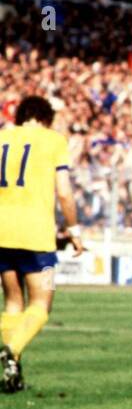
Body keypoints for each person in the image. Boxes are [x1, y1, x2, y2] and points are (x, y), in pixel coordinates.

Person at [0, 96, 86, 393]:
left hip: (1, 229)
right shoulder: (53, 141)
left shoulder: (1, 139)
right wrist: (74, 229)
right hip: (35, 233)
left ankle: (12, 371)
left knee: (13, 301)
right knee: (41, 303)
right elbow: (63, 191)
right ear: (46, 118)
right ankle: (10, 349)